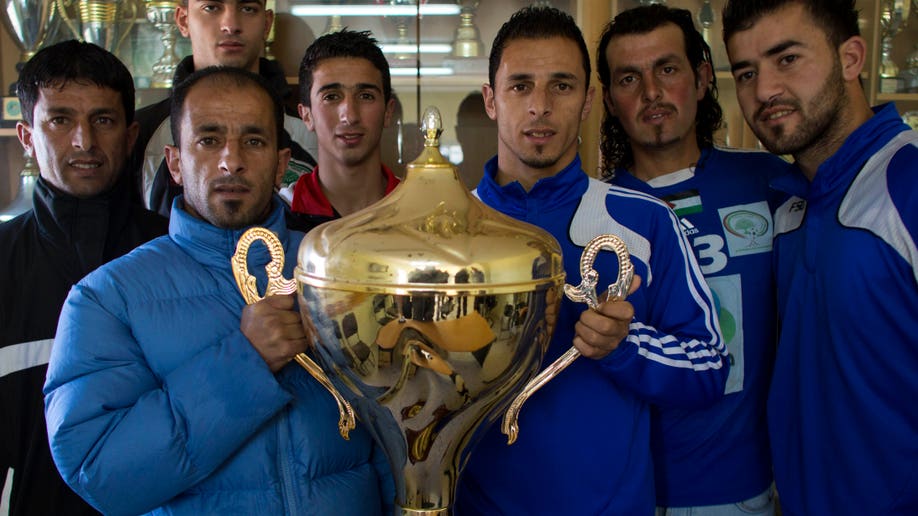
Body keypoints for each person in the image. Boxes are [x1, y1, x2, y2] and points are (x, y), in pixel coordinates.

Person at [44, 67, 393, 515]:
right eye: (208, 140)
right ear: (175, 162)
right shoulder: (107, 298)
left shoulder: (339, 270)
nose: (232, 161)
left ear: (281, 164)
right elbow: (101, 472)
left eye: (254, 141)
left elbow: (392, 440)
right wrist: (246, 363)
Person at [454, 7, 729, 515]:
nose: (540, 107)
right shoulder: (444, 231)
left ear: (587, 101)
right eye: (520, 86)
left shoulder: (645, 221)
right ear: (491, 99)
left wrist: (626, 346)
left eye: (561, 86)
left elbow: (710, 367)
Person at [722, 1, 918, 514]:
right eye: (746, 73)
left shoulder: (907, 186)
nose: (764, 90)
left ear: (851, 58)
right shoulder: (790, 208)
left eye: (787, 59)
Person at [597, 5, 793, 515]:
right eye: (629, 78)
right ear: (610, 101)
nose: (651, 92)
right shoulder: (595, 213)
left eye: (667, 69)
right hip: (626, 491)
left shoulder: (770, 182)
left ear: (703, 78)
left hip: (743, 488)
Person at [0, 40, 168, 515]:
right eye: (60, 120)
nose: (84, 141)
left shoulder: (174, 254)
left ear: (130, 136)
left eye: (103, 120)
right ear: (26, 136)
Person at [131, 0, 318, 217]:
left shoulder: (313, 133)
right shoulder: (141, 135)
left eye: (248, 8)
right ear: (183, 20)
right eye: (211, 7)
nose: (231, 25)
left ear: (267, 23)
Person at [281, 29, 398, 233]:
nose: (350, 116)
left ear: (388, 112)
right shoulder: (279, 217)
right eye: (331, 97)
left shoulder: (420, 212)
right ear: (306, 115)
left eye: (366, 96)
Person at [455, 92, 497, 189]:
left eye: (485, 132)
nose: (479, 140)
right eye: (471, 132)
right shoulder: (449, 181)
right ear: (459, 133)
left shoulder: (508, 182)